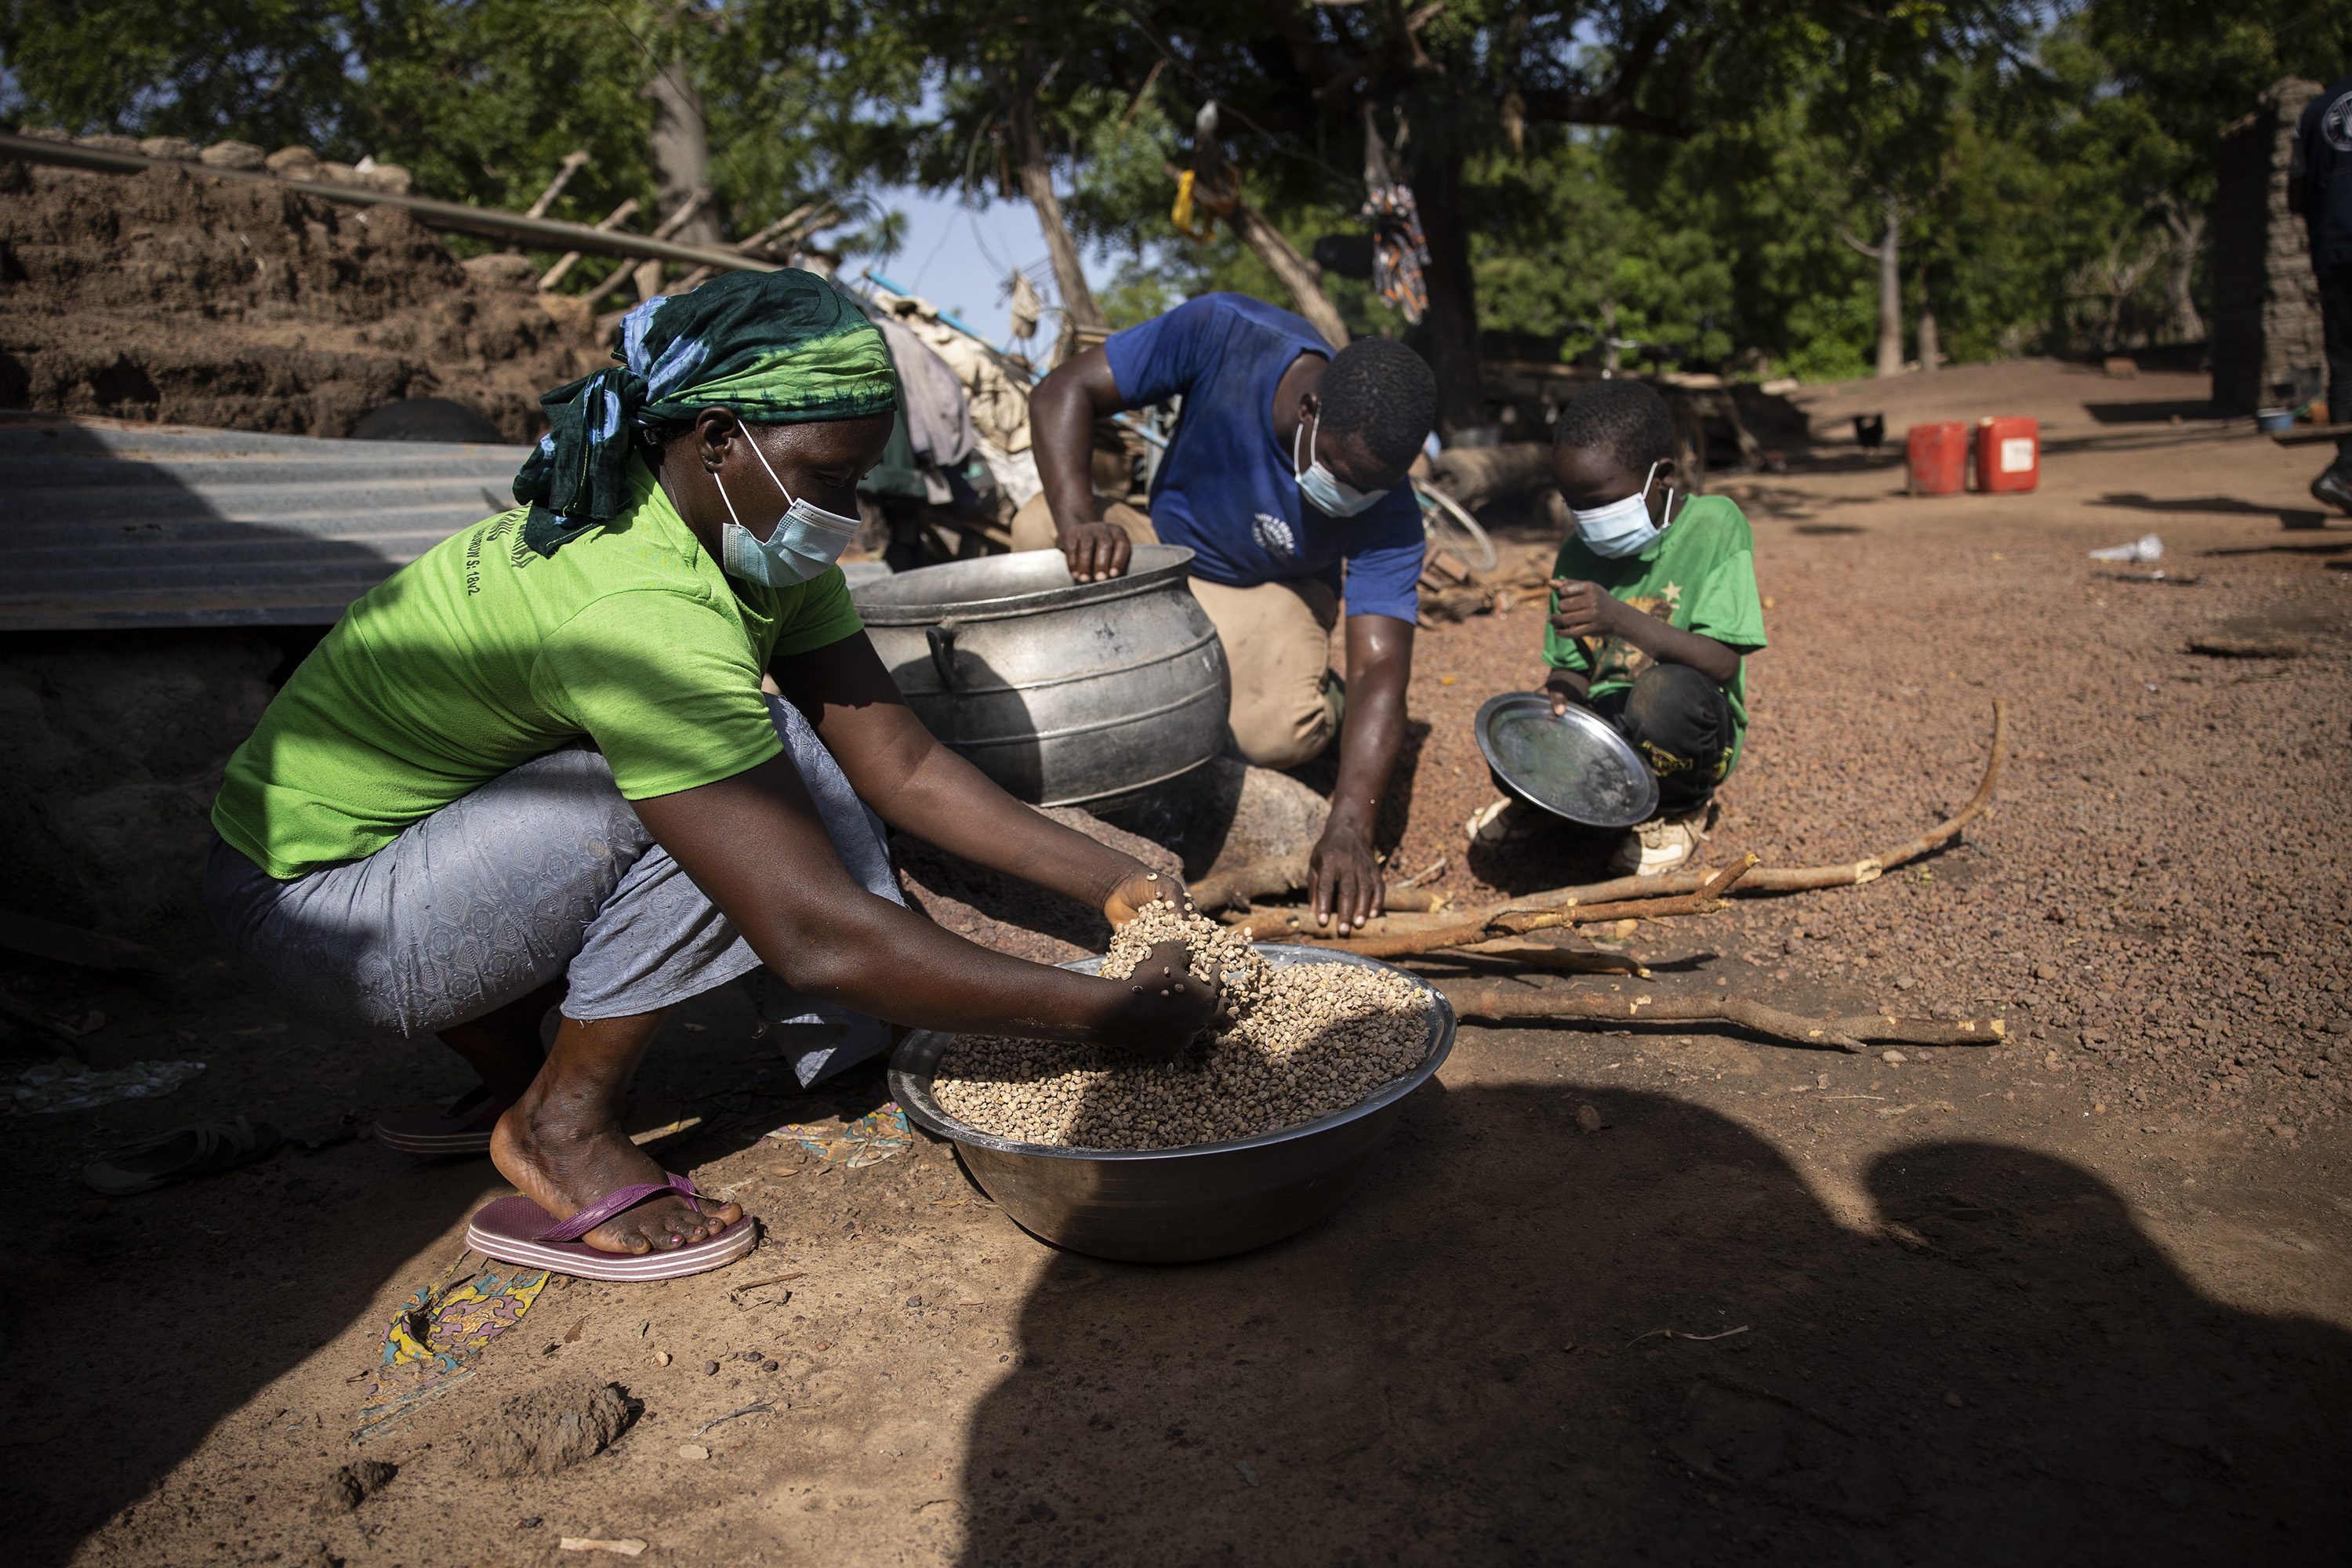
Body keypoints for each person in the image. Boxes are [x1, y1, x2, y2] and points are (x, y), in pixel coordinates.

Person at [204, 270, 1219, 1279]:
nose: (850, 513)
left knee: (717, 761)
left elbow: (898, 759)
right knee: (718, 789)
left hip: (412, 854)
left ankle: (509, 1063)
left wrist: (1113, 883)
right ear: (721, 438)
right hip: (321, 916)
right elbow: (810, 931)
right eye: (829, 476)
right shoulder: (638, 605)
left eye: (862, 478)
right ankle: (559, 1126)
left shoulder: (742, 540)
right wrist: (1096, 1012)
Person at [1015, 294, 1438, 934]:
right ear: (1310, 408)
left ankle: (1325, 699)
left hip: (1272, 592)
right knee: (1036, 526)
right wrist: (1079, 520)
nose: (1351, 499)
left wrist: (1350, 821)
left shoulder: (1393, 509)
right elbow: (1060, 392)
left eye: (1371, 489)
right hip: (1163, 553)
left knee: (1278, 732)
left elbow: (1380, 662)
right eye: (1341, 476)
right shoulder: (1224, 334)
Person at [1465, 379, 1766, 877]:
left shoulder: (1714, 525)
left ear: (1661, 477)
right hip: (1611, 728)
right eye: (1572, 502)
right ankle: (1543, 807)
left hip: (1688, 727)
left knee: (1662, 694)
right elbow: (1571, 670)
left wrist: (1620, 619)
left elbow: (1722, 660)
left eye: (1599, 502)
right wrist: (1556, 700)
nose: (1585, 518)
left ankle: (1681, 811)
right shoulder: (1578, 552)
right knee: (1517, 733)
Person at [2291, 70, 2352, 514]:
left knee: (2346, 364)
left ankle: (2346, 472)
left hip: (2333, 249)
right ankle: (2347, 473)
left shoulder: (2313, 113)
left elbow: (2295, 194)